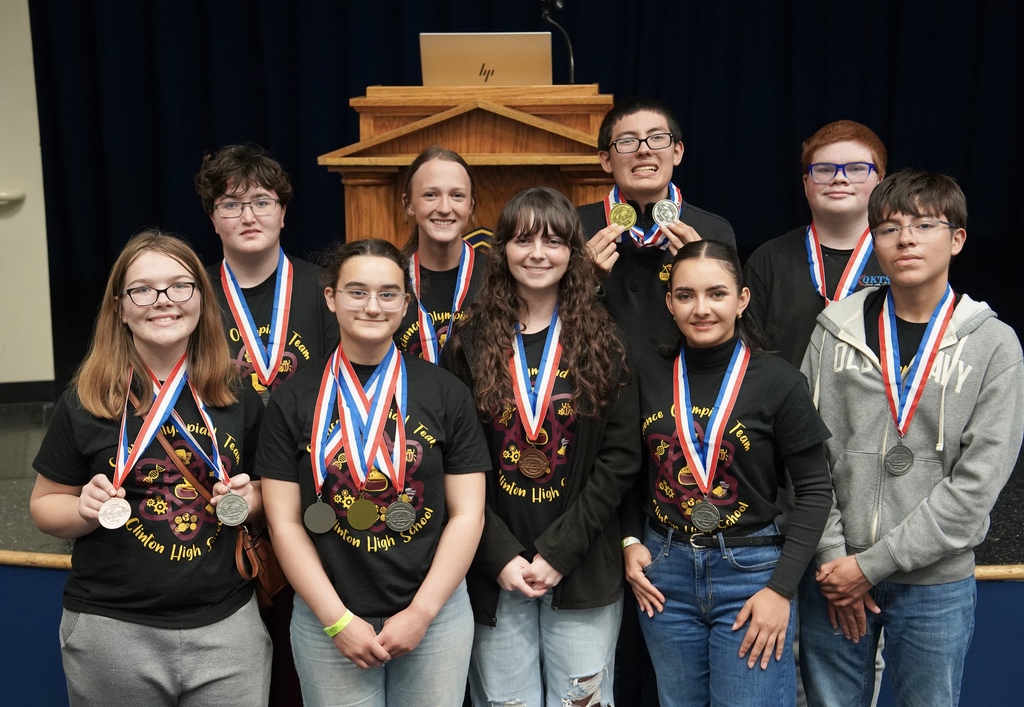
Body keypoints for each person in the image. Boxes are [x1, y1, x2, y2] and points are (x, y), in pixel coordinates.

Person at [798, 169, 1024, 706]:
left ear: (957, 238)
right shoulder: (833, 332)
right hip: (834, 573)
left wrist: (868, 567)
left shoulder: (993, 345)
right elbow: (806, 455)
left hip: (934, 584)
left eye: (925, 224)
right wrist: (835, 561)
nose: (906, 239)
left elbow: (975, 488)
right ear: (873, 241)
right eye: (889, 228)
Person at [30, 230, 270, 706]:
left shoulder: (238, 394)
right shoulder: (86, 400)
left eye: (180, 285)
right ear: (119, 307)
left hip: (227, 628)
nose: (163, 301)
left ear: (201, 298)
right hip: (112, 630)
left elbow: (268, 494)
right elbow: (43, 506)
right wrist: (83, 507)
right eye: (142, 289)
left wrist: (248, 499)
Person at [257, 239, 489, 707]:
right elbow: (283, 522)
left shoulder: (446, 392)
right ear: (330, 298)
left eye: (388, 293)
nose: (372, 305)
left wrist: (421, 614)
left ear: (406, 303)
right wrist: (336, 620)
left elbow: (468, 513)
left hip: (435, 616)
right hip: (328, 618)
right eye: (356, 291)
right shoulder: (293, 398)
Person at [442, 186, 641, 707]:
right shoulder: (470, 341)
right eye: (524, 239)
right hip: (494, 566)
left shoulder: (605, 340)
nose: (537, 253)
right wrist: (501, 554)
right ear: (501, 248)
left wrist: (558, 552)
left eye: (553, 241)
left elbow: (620, 460)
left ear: (573, 254)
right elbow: (454, 461)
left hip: (580, 565)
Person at [622, 240, 833, 707]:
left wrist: (780, 590)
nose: (701, 309)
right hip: (664, 575)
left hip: (752, 575)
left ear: (741, 300)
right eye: (686, 295)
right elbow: (625, 470)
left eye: (717, 294)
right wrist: (630, 540)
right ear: (669, 303)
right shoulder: (645, 374)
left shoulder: (779, 381)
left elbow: (816, 492)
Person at [579, 96, 737, 351]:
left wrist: (705, 275)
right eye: (628, 141)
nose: (644, 150)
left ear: (677, 152)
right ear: (606, 160)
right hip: (596, 375)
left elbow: (734, 324)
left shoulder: (714, 230)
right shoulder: (574, 226)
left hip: (683, 377)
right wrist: (584, 280)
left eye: (657, 138)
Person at [194, 143, 339, 403]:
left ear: (282, 213)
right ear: (213, 220)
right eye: (230, 205)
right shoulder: (195, 293)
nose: (248, 217)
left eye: (261, 202)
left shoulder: (324, 287)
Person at [744, 120, 890, 368]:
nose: (839, 178)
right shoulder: (768, 259)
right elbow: (748, 357)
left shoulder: (901, 256)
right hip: (784, 406)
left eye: (856, 169)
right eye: (824, 169)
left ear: (880, 181)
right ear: (805, 183)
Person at [394, 146, 488, 361]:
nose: (445, 208)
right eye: (430, 195)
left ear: (470, 205)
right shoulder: (390, 277)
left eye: (457, 195)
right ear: (408, 204)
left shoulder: (498, 277)